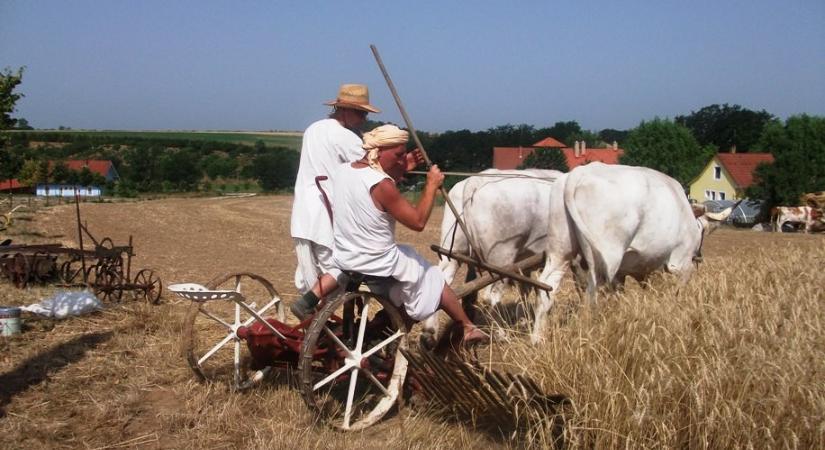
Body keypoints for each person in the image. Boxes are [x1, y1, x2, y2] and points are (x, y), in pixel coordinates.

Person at [329, 124, 487, 345]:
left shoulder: (344, 170)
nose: (402, 159)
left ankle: (386, 323)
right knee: (433, 277)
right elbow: (418, 222)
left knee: (407, 278)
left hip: (346, 256)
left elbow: (376, 181)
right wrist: (431, 186)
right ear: (379, 151)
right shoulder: (382, 184)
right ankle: (468, 327)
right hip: (377, 260)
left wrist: (403, 167)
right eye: (399, 154)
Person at [289, 84, 379, 318]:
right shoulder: (345, 137)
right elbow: (371, 168)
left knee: (310, 273)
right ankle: (311, 310)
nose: (364, 118)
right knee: (344, 267)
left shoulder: (313, 129)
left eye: (365, 113)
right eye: (361, 112)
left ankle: (314, 318)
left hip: (302, 212)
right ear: (344, 109)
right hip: (326, 213)